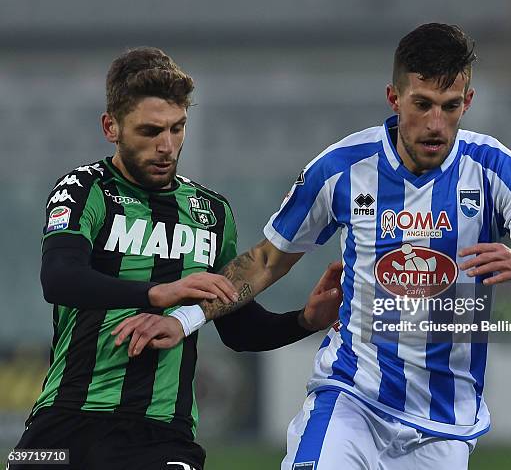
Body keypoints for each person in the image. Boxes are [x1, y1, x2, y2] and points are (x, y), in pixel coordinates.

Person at [130, 23, 511, 469]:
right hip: (352, 400)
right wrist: (185, 319)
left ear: (467, 102)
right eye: (422, 104)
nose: (435, 124)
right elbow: (265, 262)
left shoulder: (497, 170)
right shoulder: (342, 169)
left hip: (444, 425)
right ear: (394, 98)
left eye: (450, 107)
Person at [10, 47, 342, 470]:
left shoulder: (211, 212)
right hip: (62, 425)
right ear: (111, 127)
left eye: (177, 128)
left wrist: (304, 321)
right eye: (150, 131)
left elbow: (238, 328)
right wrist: (159, 292)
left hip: (160, 435)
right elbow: (59, 278)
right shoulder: (84, 189)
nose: (167, 146)